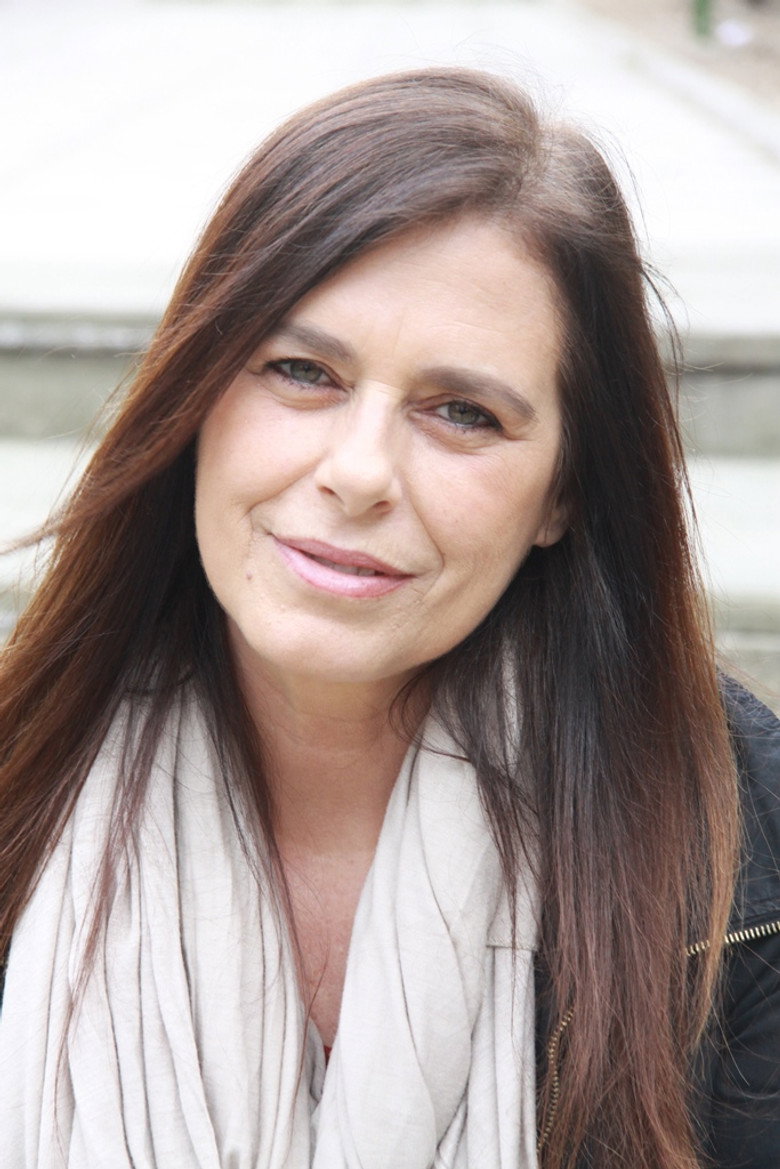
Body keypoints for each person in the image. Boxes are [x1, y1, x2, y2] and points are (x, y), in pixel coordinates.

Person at [0, 67, 778, 1169]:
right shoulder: (24, 782)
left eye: (464, 412)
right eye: (302, 371)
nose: (358, 471)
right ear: (194, 397)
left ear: (564, 493)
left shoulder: (741, 851)